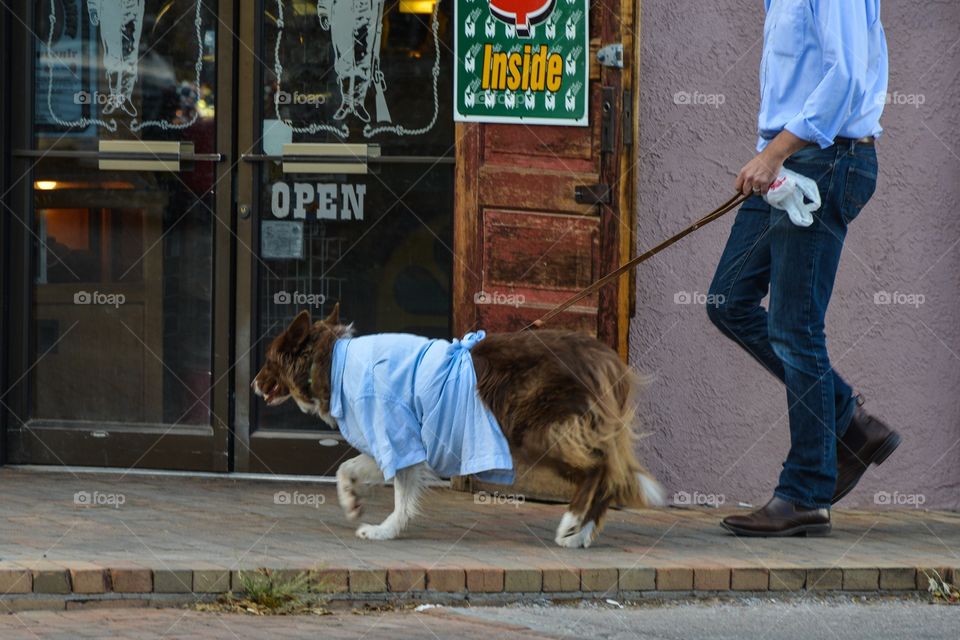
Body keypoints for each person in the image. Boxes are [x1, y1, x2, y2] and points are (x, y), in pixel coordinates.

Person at [707, 0, 901, 537]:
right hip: (788, 158)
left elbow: (845, 75)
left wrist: (775, 154)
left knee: (795, 326)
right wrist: (770, 154)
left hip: (825, 158)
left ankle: (805, 493)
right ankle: (848, 419)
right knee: (728, 301)